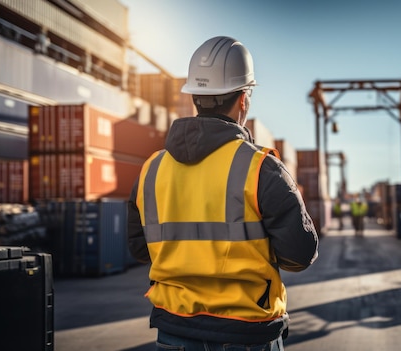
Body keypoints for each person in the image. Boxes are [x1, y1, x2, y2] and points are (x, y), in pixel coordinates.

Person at [127, 36, 319, 351]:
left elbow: (139, 249)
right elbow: (299, 255)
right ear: (244, 98)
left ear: (195, 97)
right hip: (246, 334)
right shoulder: (262, 169)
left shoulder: (151, 170)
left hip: (173, 330)